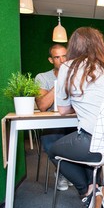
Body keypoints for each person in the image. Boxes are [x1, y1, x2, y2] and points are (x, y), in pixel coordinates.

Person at [47, 27, 104, 208]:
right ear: (100, 44)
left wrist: (80, 105)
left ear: (73, 46)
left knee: (53, 149)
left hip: (92, 142)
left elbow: (63, 110)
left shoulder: (67, 68)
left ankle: (88, 191)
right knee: (82, 145)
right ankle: (96, 188)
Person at [35, 44, 73, 191]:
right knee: (51, 141)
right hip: (53, 123)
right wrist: (60, 82)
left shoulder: (76, 75)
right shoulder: (43, 77)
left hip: (74, 121)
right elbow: (43, 106)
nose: (62, 60)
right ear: (51, 60)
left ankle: (69, 172)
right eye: (57, 57)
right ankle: (65, 172)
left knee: (85, 139)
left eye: (65, 56)